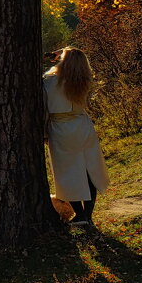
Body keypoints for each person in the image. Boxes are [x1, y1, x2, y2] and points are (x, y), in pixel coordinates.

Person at [43, 47, 109, 226]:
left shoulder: (49, 81)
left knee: (66, 174)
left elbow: (43, 109)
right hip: (83, 126)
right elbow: (76, 55)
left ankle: (80, 214)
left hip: (61, 128)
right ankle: (87, 215)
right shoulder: (84, 80)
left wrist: (43, 132)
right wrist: (62, 52)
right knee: (89, 170)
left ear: (63, 61)